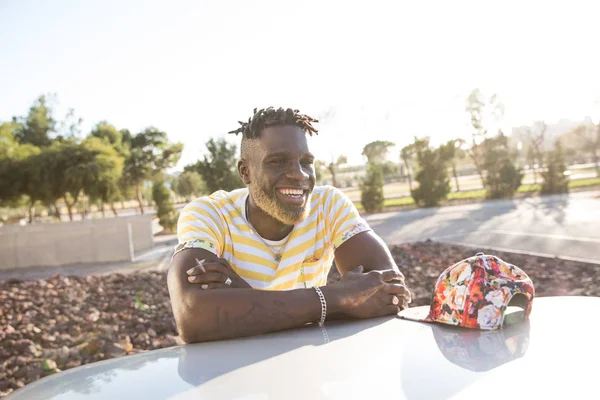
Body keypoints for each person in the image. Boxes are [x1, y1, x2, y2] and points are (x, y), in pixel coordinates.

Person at [167, 107, 412, 343]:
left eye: (306, 162)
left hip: (311, 369)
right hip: (236, 375)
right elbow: (192, 317)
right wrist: (339, 297)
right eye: (277, 161)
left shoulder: (328, 205)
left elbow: (390, 294)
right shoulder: (209, 214)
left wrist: (246, 298)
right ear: (245, 172)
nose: (299, 174)